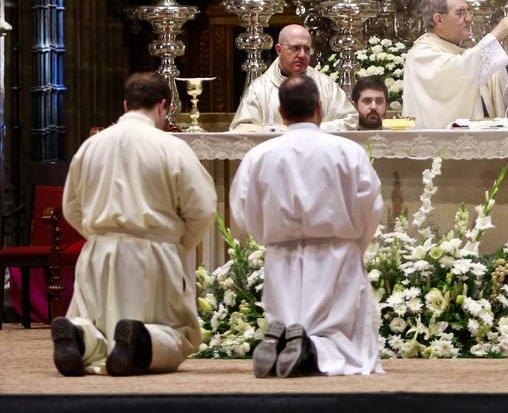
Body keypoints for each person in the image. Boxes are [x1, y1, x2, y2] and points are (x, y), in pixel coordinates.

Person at [51, 72, 217, 376]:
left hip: (98, 252)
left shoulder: (91, 146)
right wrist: (180, 244)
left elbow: (71, 206)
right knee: (176, 334)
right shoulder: (171, 147)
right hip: (153, 254)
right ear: (163, 106)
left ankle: (79, 338)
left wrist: (99, 235)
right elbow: (203, 208)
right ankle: (140, 340)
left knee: (95, 321)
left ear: (126, 104)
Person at [230, 75, 383, 377]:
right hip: (336, 254)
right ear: (319, 109)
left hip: (281, 256)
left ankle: (285, 340)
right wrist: (356, 244)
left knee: (291, 318)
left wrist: (268, 239)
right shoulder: (347, 151)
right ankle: (312, 350)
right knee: (333, 332)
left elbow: (243, 209)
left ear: (282, 113)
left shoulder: (259, 155)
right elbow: (372, 205)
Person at [402, 0, 508, 129]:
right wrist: (496, 33)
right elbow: (460, 74)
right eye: (461, 13)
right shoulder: (421, 54)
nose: (469, 18)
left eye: (469, 11)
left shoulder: (459, 53)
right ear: (438, 19)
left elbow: (478, 75)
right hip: (442, 147)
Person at [231, 24, 357, 132]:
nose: (302, 55)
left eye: (306, 49)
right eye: (295, 48)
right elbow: (242, 129)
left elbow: (350, 120)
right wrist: (278, 132)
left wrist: (311, 131)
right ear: (279, 50)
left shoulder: (326, 85)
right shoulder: (259, 89)